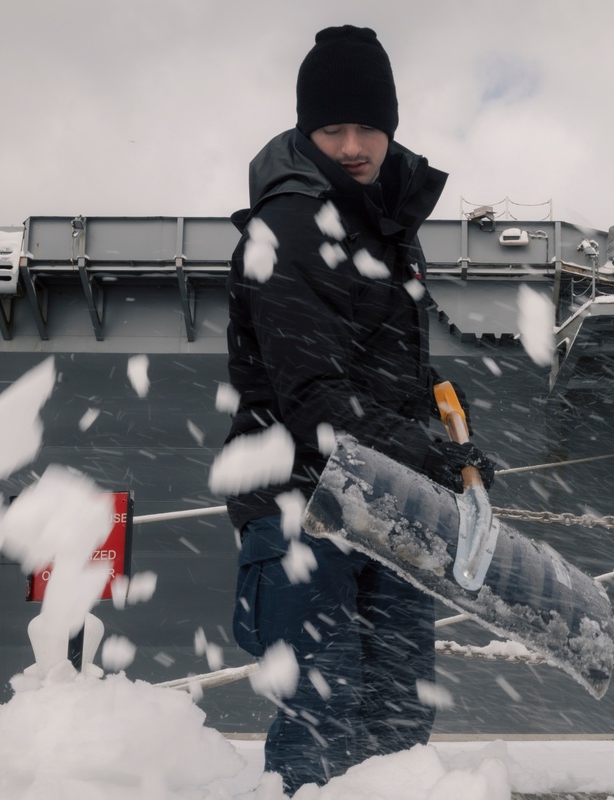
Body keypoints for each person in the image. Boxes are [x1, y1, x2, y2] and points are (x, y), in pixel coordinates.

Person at [223, 25, 495, 793]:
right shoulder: (290, 225)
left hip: (384, 503)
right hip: (300, 504)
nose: (351, 145)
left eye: (367, 127)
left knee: (399, 724)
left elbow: (391, 371)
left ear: (390, 130)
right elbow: (314, 395)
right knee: (324, 718)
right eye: (332, 129)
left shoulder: (387, 230)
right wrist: (432, 457)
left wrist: (454, 433)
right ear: (307, 132)